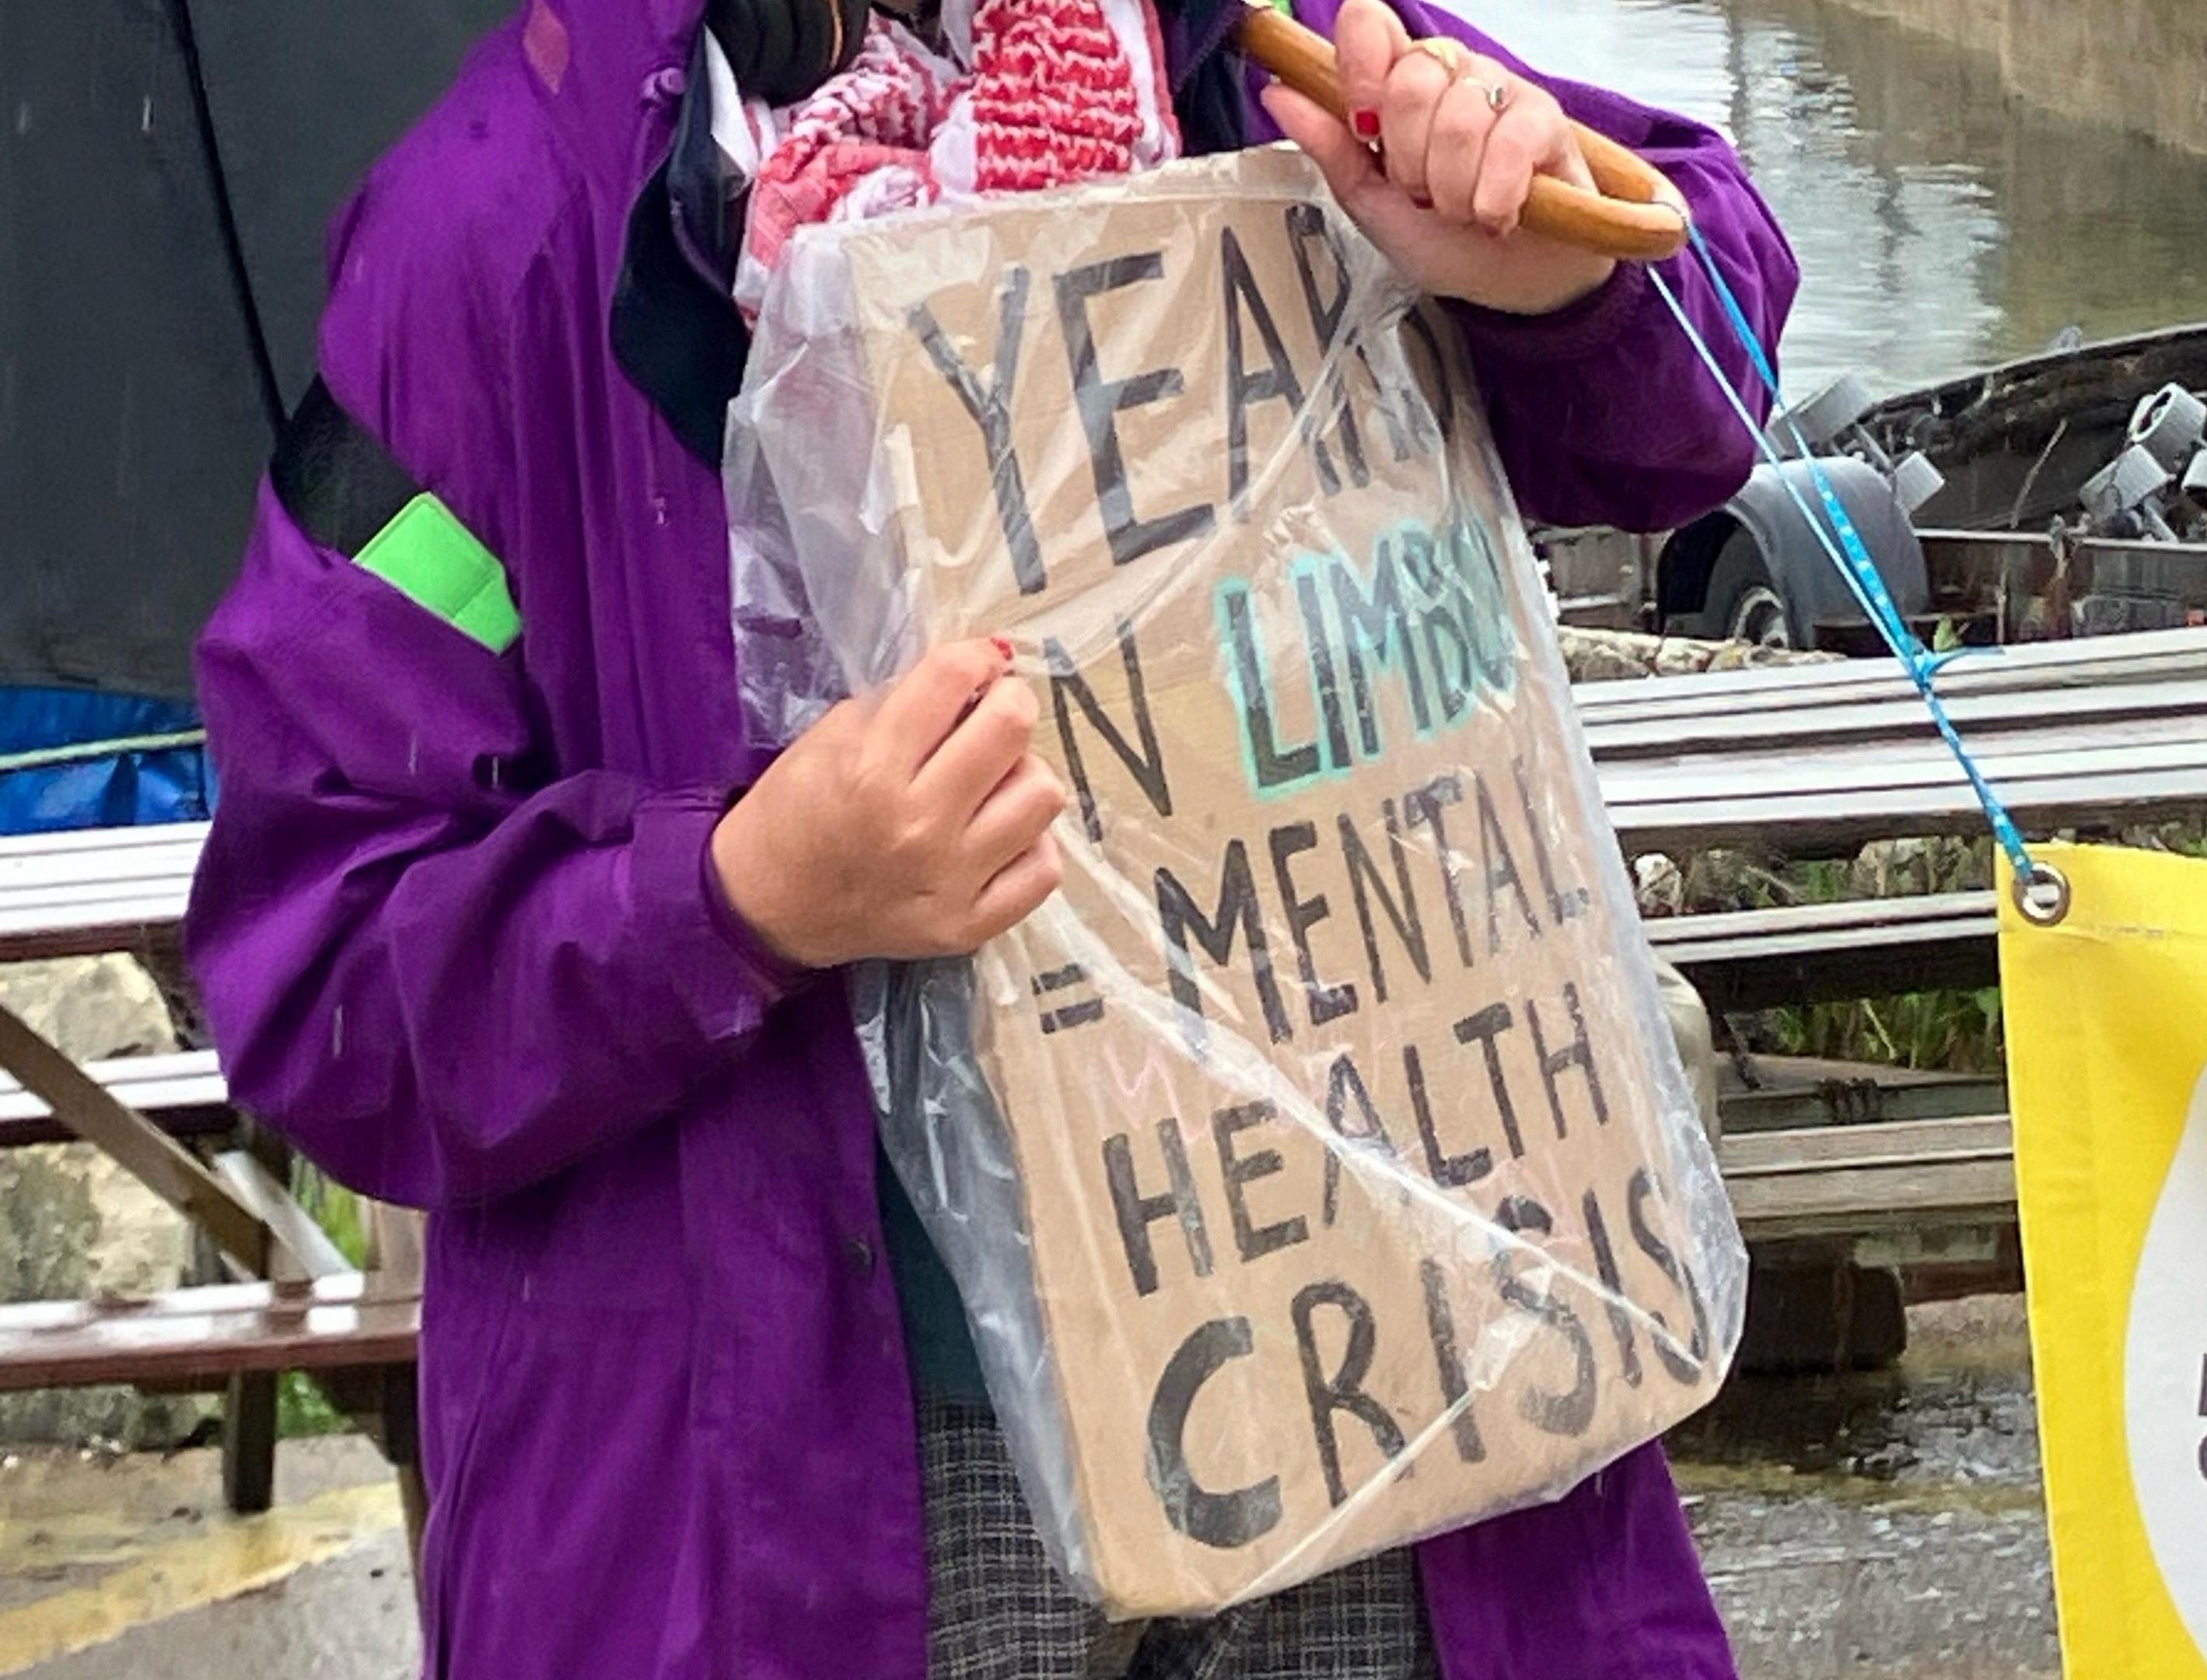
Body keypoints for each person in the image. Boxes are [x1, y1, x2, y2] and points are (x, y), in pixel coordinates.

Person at [185, 1, 1793, 1675]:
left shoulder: (1288, 69)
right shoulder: (487, 245)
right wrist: (738, 897)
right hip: (785, 1527)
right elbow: (324, 967)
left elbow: (1709, 334)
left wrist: (1559, 281)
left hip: (1392, 1405)